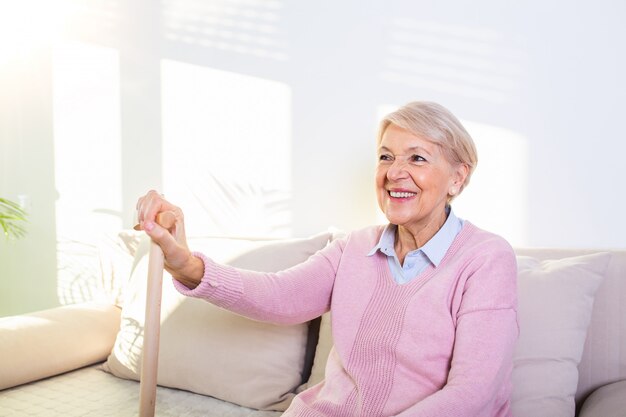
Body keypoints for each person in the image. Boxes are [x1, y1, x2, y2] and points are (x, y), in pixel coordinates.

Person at [136, 101, 519, 417]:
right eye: (386, 157)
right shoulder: (355, 248)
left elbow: (474, 392)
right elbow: (279, 296)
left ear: (457, 178)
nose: (394, 173)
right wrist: (185, 264)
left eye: (417, 158)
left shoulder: (485, 259)